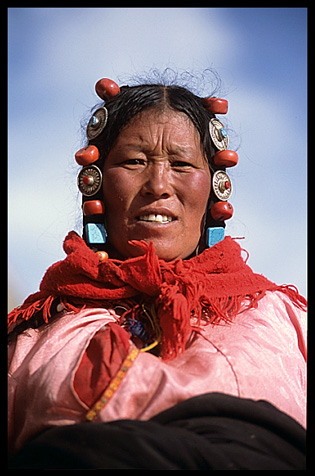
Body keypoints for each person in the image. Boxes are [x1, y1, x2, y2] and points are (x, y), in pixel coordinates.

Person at [8, 75, 307, 469]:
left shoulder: (284, 322)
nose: (158, 185)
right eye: (135, 161)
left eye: (182, 164)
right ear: (94, 184)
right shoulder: (34, 337)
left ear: (215, 189)